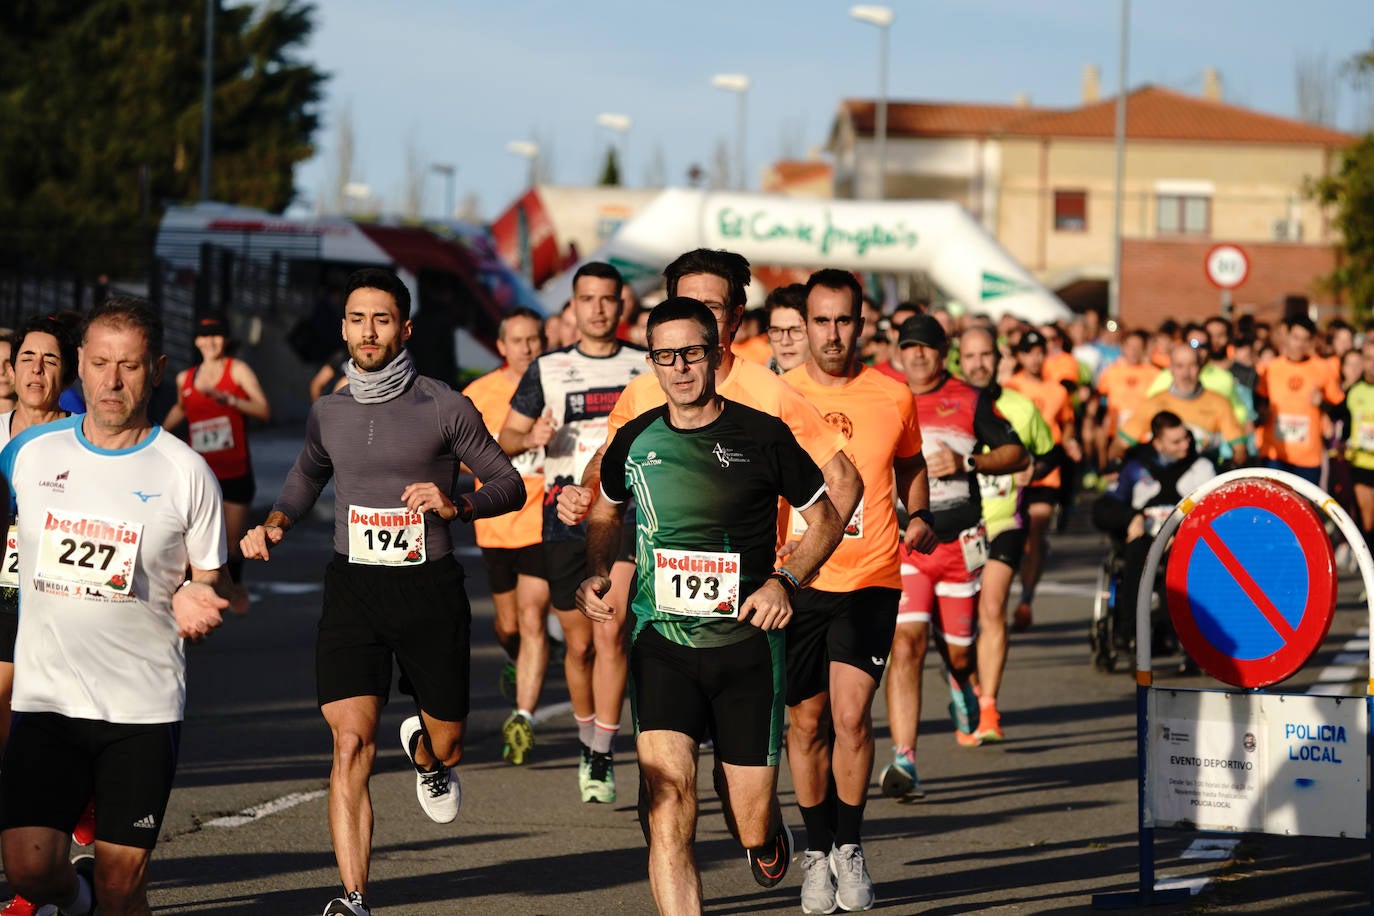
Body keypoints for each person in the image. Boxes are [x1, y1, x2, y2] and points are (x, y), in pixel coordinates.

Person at [240, 268, 524, 916]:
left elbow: (510, 483)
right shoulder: (329, 410)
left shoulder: (444, 405)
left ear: (405, 328)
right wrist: (277, 524)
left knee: (450, 742)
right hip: (353, 589)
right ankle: (355, 897)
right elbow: (305, 475)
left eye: (382, 319)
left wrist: (456, 503)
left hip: (430, 590)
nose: (368, 332)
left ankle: (427, 754)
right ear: (343, 327)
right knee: (348, 744)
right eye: (357, 319)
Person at [578, 297, 843, 916]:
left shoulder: (761, 434)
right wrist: (596, 570)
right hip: (663, 645)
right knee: (668, 802)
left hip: (747, 649)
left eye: (691, 353)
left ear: (716, 354)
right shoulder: (636, 439)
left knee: (749, 823)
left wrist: (786, 582)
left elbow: (826, 519)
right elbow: (604, 507)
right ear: (652, 362)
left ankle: (766, 835)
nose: (679, 368)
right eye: (665, 356)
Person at [0, 297, 231, 916]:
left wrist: (195, 596)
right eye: (100, 363)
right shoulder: (29, 454)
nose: (111, 380)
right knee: (26, 863)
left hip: (141, 706)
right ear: (80, 363)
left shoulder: (187, 473)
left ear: (155, 369)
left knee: (122, 884)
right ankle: (76, 904)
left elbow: (212, 580)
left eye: (128, 366)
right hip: (47, 698)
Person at [780, 271, 938, 914]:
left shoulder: (893, 395)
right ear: (805, 324)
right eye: (821, 321)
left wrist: (919, 511)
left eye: (845, 320)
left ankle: (849, 846)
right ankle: (816, 851)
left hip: (870, 577)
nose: (833, 334)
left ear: (863, 322)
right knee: (807, 720)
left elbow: (910, 462)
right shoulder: (777, 394)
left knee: (850, 718)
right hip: (796, 578)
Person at [497, 262, 647, 805]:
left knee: (610, 632)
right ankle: (589, 739)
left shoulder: (643, 365)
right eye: (588, 299)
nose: (599, 309)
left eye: (608, 299)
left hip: (624, 511)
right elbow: (505, 438)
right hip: (562, 515)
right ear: (574, 306)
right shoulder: (549, 368)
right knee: (578, 646)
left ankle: (602, 752)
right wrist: (528, 434)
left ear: (621, 304)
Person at [884, 316, 1025, 792]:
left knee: (960, 653)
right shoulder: (886, 395)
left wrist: (968, 461)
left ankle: (962, 681)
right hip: (906, 543)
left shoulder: (969, 397)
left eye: (927, 348)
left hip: (961, 544)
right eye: (909, 347)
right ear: (899, 352)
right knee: (906, 646)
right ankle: (904, 759)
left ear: (944, 353)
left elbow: (1017, 454)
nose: (918, 355)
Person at [461, 307, 550, 765]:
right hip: (496, 525)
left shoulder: (557, 382)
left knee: (533, 618)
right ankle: (519, 660)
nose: (528, 348)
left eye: (534, 338)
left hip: (542, 520)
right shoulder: (479, 393)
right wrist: (509, 442)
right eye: (518, 340)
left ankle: (523, 716)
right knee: (509, 625)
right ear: (501, 345)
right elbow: (455, 459)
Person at [955, 325, 1053, 745]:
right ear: (959, 360)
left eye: (986, 356)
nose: (979, 364)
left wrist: (1035, 470)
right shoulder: (947, 405)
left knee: (992, 608)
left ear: (999, 360)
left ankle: (989, 705)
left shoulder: (1021, 408)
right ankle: (970, 690)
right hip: (958, 526)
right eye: (970, 356)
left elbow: (1049, 456)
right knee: (959, 628)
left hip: (1004, 522)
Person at [161, 316, 271, 615]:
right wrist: (154, 434)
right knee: (189, 543)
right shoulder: (186, 378)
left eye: (216, 336)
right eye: (204, 336)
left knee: (231, 545)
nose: (210, 342)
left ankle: (231, 588)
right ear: (196, 341)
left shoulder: (236, 370)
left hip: (234, 471)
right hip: (198, 476)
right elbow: (179, 410)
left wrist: (230, 399)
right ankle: (195, 595)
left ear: (225, 340)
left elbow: (263, 409)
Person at [1092, 411, 1216, 662]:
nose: (1186, 445)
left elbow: (1215, 512)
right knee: (1138, 552)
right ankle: (1131, 630)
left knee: (1181, 560)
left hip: (1185, 540)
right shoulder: (1136, 466)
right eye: (1177, 442)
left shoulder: (1201, 468)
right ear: (1158, 443)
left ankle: (1176, 631)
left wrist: (1182, 531)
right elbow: (1104, 507)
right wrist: (1130, 517)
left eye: (1186, 439)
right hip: (1144, 538)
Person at [1004, 330, 1080, 630]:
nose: (1035, 357)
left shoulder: (1058, 391)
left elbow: (1068, 424)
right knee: (1014, 536)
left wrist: (1072, 443)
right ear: (1020, 356)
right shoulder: (1010, 387)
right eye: (1029, 352)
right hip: (1012, 470)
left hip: (1047, 469)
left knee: (1036, 530)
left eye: (1040, 351)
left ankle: (1026, 599)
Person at [1114, 344, 1250, 467]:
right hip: (1164, 476)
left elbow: (1239, 449)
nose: (1186, 373)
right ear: (1171, 369)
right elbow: (1120, 443)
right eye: (1180, 366)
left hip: (1202, 478)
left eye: (1192, 366)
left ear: (1201, 367)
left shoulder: (1219, 402)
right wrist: (1116, 465)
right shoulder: (1155, 403)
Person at [1255, 314, 1345, 485]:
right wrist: (1260, 414)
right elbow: (1258, 402)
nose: (1298, 344)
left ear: (1311, 342)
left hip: (1308, 457)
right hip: (1275, 453)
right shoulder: (1270, 368)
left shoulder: (1322, 368)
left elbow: (1340, 407)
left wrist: (1323, 405)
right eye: (1295, 337)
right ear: (1286, 336)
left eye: (1305, 340)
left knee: (1304, 509)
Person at [764, 283, 811, 374]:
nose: (785, 342)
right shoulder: (755, 385)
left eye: (796, 331)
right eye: (776, 331)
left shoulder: (838, 385)